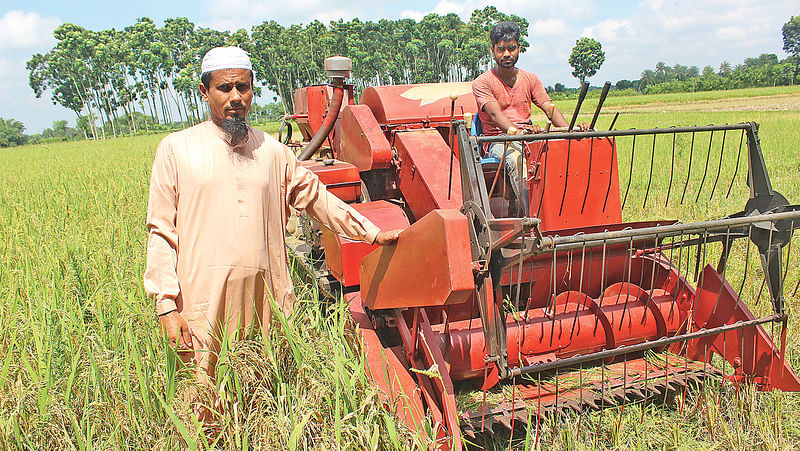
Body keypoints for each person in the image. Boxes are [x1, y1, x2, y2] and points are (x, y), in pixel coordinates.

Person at [144, 46, 399, 377]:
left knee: (269, 391)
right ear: (204, 92)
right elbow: (161, 232)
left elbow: (319, 199)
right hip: (203, 305)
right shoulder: (176, 150)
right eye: (224, 88)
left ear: (252, 90)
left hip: (267, 304)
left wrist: (372, 233)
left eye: (243, 87)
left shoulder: (272, 152)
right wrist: (166, 306)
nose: (235, 97)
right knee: (207, 401)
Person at [472, 21, 584, 215]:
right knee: (518, 162)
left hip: (528, 137)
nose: (506, 54)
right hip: (499, 140)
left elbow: (549, 107)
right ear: (493, 51)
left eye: (511, 48)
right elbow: (494, 114)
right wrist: (521, 133)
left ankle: (565, 212)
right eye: (501, 49)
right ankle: (532, 217)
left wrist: (569, 132)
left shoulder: (530, 79)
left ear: (519, 49)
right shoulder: (482, 83)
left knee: (561, 156)